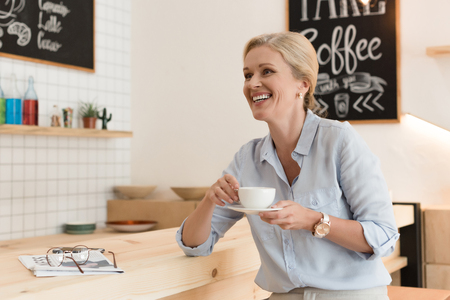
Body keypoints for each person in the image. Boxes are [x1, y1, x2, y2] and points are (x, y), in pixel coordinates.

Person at [176, 31, 399, 300]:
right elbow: (194, 245)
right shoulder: (248, 158)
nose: (253, 83)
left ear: (302, 84)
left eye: (266, 71)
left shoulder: (339, 141)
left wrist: (313, 220)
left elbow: (383, 237)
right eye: (247, 75)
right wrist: (210, 199)